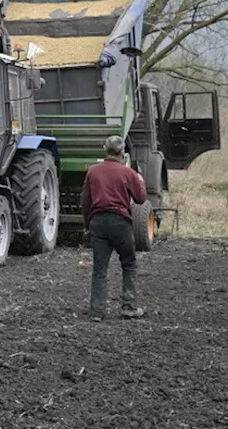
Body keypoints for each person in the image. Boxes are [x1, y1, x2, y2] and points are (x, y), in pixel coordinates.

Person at [80, 135, 148, 321]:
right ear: (122, 152)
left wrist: (87, 225)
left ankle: (97, 312)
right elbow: (141, 199)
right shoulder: (128, 173)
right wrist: (139, 180)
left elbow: (85, 202)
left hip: (98, 223)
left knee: (100, 268)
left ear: (105, 150)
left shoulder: (92, 172)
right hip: (120, 222)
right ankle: (129, 306)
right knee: (128, 263)